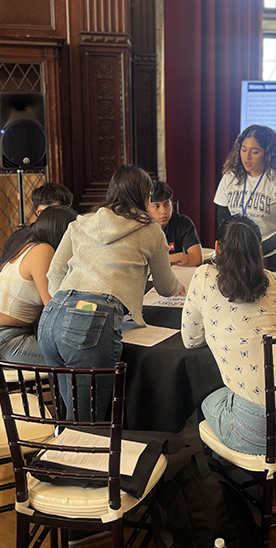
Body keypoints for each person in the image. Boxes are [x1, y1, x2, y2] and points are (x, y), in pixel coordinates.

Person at [38, 164, 182, 420]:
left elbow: (54, 274)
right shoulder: (150, 230)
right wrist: (182, 288)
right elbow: (165, 286)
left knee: (71, 415)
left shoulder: (81, 222)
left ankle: (65, 452)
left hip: (51, 317)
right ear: (145, 195)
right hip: (91, 320)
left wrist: (69, 303)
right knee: (87, 422)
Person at [182, 215, 276, 455]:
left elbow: (190, 340)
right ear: (259, 250)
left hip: (257, 432)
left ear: (217, 247)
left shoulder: (203, 276)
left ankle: (226, 481)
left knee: (208, 401)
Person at [0, 206, 77, 367]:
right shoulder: (43, 251)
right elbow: (53, 308)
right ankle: (70, 393)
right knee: (78, 357)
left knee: (74, 351)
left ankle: (61, 393)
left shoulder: (27, 246)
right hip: (3, 340)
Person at [214, 125, 276, 272]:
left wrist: (259, 249)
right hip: (239, 254)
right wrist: (235, 246)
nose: (247, 157)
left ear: (268, 154)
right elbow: (223, 217)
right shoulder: (230, 177)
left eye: (254, 152)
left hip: (274, 256)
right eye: (243, 150)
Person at [0, 182, 74, 271]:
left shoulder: (70, 232)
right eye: (57, 212)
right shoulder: (21, 240)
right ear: (40, 213)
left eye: (67, 211)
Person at [148, 180, 203, 266]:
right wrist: (170, 258)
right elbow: (143, 264)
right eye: (156, 206)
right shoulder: (141, 227)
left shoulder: (183, 222)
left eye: (166, 205)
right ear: (146, 208)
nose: (163, 212)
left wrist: (159, 262)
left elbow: (197, 258)